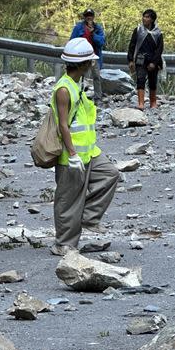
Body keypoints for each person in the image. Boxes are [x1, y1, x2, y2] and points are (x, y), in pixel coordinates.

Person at [51, 37, 119, 256]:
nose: (92, 65)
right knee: (68, 199)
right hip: (71, 154)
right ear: (82, 64)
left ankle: (89, 217)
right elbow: (63, 124)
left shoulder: (76, 84)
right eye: (90, 61)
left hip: (89, 151)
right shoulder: (64, 89)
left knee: (110, 174)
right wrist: (71, 154)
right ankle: (64, 244)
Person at [127, 9, 164, 109]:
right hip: (140, 59)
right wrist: (130, 60)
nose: (145, 19)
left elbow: (159, 49)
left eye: (147, 17)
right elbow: (132, 45)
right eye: (144, 16)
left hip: (153, 60)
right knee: (140, 79)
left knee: (153, 81)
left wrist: (154, 62)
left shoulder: (158, 33)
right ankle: (141, 103)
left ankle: (153, 102)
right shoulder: (138, 30)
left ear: (152, 19)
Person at [70, 8, 106, 100]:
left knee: (96, 76)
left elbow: (101, 42)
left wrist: (93, 34)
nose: (89, 17)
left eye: (90, 16)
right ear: (84, 17)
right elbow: (72, 40)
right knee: (79, 75)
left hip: (94, 56)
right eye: (87, 16)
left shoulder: (97, 28)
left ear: (93, 17)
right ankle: (78, 93)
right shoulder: (78, 27)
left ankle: (98, 96)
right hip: (81, 56)